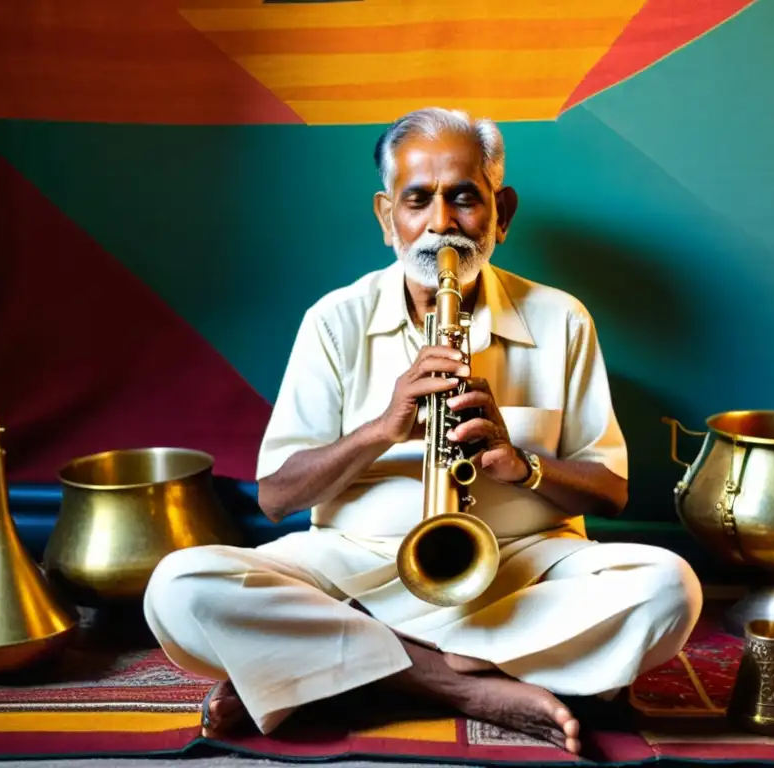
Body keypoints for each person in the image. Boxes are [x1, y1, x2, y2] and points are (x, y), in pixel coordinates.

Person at [143, 107, 703, 755]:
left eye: (464, 198)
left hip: (524, 573)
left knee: (670, 589)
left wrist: (518, 463)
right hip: (351, 567)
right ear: (388, 218)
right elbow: (276, 499)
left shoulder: (562, 318)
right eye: (418, 201)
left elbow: (609, 494)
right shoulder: (335, 320)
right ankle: (463, 684)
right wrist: (382, 428)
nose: (441, 224)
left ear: (503, 212)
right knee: (179, 587)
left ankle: (324, 669)